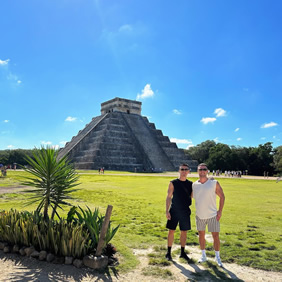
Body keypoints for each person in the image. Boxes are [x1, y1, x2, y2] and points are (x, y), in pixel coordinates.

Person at [192, 163, 225, 267]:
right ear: (197, 171)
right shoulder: (194, 185)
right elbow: (190, 196)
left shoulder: (214, 183)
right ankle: (203, 255)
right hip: (200, 215)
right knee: (201, 235)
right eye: (200, 169)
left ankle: (217, 257)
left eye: (204, 169)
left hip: (212, 215)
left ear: (207, 171)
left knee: (215, 236)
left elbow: (222, 196)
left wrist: (220, 211)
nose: (202, 171)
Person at [165, 163, 193, 261]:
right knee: (171, 231)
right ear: (179, 170)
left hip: (185, 211)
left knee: (184, 232)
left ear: (188, 171)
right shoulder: (173, 183)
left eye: (186, 169)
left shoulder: (191, 184)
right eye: (182, 169)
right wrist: (167, 211)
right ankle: (168, 252)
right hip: (174, 210)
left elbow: (193, 196)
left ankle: (182, 252)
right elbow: (168, 197)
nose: (184, 171)